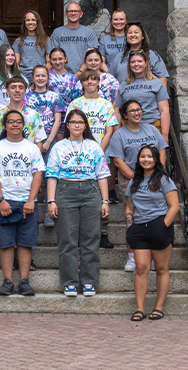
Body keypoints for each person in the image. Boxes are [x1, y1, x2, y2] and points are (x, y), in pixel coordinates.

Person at [46, 109, 110, 297]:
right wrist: (51, 201)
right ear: (67, 125)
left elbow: (102, 175)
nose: (76, 125)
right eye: (73, 122)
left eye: (80, 122)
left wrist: (105, 201)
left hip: (91, 192)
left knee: (91, 239)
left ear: (85, 125)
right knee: (68, 239)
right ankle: (70, 282)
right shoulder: (59, 147)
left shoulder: (94, 146)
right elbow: (51, 175)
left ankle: (89, 281)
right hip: (66, 191)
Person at [0, 110, 46, 296]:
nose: (15, 125)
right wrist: (0, 200)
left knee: (25, 242)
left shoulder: (32, 148)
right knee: (5, 243)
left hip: (26, 203)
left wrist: (31, 200)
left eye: (18, 122)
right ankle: (7, 281)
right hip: (5, 202)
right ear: (5, 126)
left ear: (23, 125)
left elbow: (38, 174)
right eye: (11, 122)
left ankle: (24, 281)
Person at [106, 99, 168, 271]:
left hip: (155, 179)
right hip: (131, 179)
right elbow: (118, 161)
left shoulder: (152, 130)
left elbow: (161, 151)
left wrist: (158, 173)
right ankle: (132, 256)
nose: (136, 113)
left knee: (155, 216)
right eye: (132, 111)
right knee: (132, 218)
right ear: (125, 115)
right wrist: (138, 178)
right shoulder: (119, 135)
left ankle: (155, 254)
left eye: (138, 109)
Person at [126, 145, 179, 321]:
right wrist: (129, 222)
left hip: (159, 225)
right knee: (141, 267)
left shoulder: (164, 180)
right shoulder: (134, 180)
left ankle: (158, 307)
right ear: (138, 160)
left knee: (162, 268)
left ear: (155, 159)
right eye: (143, 157)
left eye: (149, 156)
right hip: (139, 227)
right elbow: (129, 204)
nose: (146, 160)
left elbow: (174, 206)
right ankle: (140, 308)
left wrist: (162, 226)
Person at [67, 70, 119, 248]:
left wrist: (98, 150)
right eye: (86, 80)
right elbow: (70, 129)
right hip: (77, 156)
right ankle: (81, 234)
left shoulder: (106, 104)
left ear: (98, 82)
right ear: (81, 83)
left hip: (100, 154)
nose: (90, 82)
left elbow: (110, 130)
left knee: (100, 195)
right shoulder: (75, 104)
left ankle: (103, 232)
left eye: (93, 79)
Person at [23, 64, 65, 227]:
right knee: (30, 174)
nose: (40, 78)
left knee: (50, 175)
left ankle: (49, 211)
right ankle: (27, 207)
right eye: (37, 76)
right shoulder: (27, 97)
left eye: (43, 76)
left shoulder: (55, 96)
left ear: (48, 78)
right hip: (30, 140)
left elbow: (58, 120)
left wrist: (48, 141)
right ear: (32, 78)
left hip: (50, 138)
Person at [114, 50, 170, 143]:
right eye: (133, 62)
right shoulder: (123, 85)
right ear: (129, 65)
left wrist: (164, 135)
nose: (136, 64)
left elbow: (164, 110)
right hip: (128, 130)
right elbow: (117, 111)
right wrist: (116, 134)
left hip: (152, 128)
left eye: (139, 61)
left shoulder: (157, 83)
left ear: (146, 64)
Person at [0, 76, 47, 150]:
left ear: (25, 91)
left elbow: (39, 142)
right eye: (13, 87)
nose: (17, 90)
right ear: (7, 91)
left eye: (21, 88)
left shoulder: (34, 115)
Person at [107, 22, 169, 86]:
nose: (133, 35)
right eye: (129, 33)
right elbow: (109, 79)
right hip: (123, 94)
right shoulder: (119, 56)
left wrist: (161, 95)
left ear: (142, 36)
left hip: (146, 94)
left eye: (136, 32)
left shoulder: (152, 55)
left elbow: (163, 78)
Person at [50, 2, 98, 74]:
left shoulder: (89, 33)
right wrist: (67, 75)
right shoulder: (57, 32)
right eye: (70, 11)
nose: (73, 13)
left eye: (76, 11)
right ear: (65, 14)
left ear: (81, 14)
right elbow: (53, 55)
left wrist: (79, 73)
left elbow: (90, 57)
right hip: (62, 74)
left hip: (85, 75)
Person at [47, 48, 80, 138]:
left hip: (68, 116)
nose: (57, 62)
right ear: (50, 60)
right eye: (54, 59)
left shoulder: (72, 78)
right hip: (51, 116)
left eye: (60, 59)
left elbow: (76, 99)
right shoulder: (46, 76)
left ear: (65, 59)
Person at [0, 45, 26, 113]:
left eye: (12, 55)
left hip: (20, 116)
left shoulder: (21, 75)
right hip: (1, 116)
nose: (10, 57)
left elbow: (26, 96)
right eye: (7, 55)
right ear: (1, 57)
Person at [13, 10, 51, 81]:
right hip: (23, 78)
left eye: (33, 20)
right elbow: (16, 63)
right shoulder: (18, 41)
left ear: (37, 22)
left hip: (40, 78)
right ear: (24, 23)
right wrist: (21, 76)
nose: (30, 22)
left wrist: (40, 75)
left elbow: (49, 62)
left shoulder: (46, 39)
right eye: (27, 20)